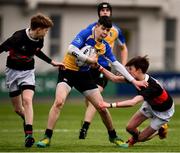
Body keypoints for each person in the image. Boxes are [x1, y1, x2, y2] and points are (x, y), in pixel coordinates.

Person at [36, 16, 147, 148]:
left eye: (107, 30)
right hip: (67, 71)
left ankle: (113, 136)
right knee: (59, 101)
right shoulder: (86, 34)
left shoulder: (104, 46)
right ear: (97, 27)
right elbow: (71, 49)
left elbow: (116, 64)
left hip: (83, 75)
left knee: (102, 107)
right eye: (103, 29)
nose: (105, 32)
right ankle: (47, 137)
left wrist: (133, 80)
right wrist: (89, 60)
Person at [0, 13, 65, 147]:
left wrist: (51, 62)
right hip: (12, 72)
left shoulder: (39, 39)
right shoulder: (17, 37)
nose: (46, 33)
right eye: (46, 30)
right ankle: (26, 119)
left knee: (27, 100)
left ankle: (29, 135)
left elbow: (36, 51)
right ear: (38, 28)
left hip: (28, 72)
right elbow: (1, 48)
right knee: (18, 109)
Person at [99, 56, 174, 147]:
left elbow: (132, 102)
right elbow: (114, 78)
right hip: (150, 105)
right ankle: (138, 137)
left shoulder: (151, 86)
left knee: (140, 138)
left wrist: (109, 105)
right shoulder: (135, 79)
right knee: (129, 128)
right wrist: (99, 68)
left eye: (130, 69)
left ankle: (159, 130)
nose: (127, 72)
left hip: (163, 112)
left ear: (138, 70)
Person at [79, 2, 129, 139]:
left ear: (111, 13)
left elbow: (123, 48)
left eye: (107, 10)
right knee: (90, 99)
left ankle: (85, 127)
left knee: (97, 94)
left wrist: (122, 66)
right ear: (99, 13)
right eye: (102, 10)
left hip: (104, 67)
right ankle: (87, 119)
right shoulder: (92, 28)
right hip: (89, 66)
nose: (105, 12)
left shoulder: (116, 30)